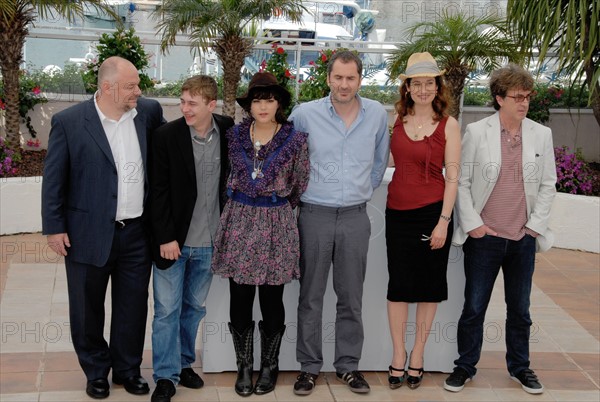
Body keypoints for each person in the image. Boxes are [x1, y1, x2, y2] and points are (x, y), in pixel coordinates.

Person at [41, 56, 165, 399]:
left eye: (138, 84)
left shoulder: (149, 113)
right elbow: (54, 180)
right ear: (107, 87)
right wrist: (54, 227)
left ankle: (127, 370)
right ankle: (96, 371)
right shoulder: (69, 122)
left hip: (137, 232)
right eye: (131, 86)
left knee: (133, 306)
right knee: (86, 307)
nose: (138, 91)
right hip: (86, 233)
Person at [444, 63, 557, 395]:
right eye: (516, 97)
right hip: (485, 238)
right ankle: (465, 366)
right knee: (474, 307)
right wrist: (475, 225)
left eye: (527, 96)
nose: (523, 103)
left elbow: (549, 184)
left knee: (520, 309)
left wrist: (534, 228)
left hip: (523, 239)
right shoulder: (478, 132)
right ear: (499, 98)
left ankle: (520, 367)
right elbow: (461, 182)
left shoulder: (541, 134)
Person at [288, 50, 390, 395]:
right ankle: (308, 368)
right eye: (338, 77)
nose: (344, 85)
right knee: (311, 297)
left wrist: (359, 190)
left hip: (355, 219)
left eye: (351, 78)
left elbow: (378, 164)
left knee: (351, 298)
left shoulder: (376, 114)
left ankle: (348, 366)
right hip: (313, 216)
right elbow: (288, 159)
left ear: (360, 80)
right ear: (328, 78)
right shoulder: (304, 115)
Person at [211, 71, 309, 396]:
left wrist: (274, 204)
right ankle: (243, 365)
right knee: (240, 296)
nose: (263, 105)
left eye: (269, 99)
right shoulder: (234, 136)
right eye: (256, 99)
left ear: (279, 102)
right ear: (249, 105)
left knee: (271, 297)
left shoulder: (295, 140)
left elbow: (299, 183)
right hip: (239, 220)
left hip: (276, 223)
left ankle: (269, 365)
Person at [149, 75, 234, 402]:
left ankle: (184, 364)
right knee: (166, 311)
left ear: (211, 105)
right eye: (182, 102)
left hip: (211, 243)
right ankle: (165, 377)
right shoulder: (165, 137)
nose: (184, 109)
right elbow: (157, 192)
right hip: (174, 244)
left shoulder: (228, 132)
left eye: (191, 104)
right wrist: (166, 237)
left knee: (193, 308)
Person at [385, 52, 461, 390]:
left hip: (433, 213)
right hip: (396, 214)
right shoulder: (396, 121)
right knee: (398, 288)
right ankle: (398, 354)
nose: (424, 89)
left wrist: (444, 221)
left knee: (429, 287)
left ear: (438, 86)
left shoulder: (449, 125)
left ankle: (418, 354)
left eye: (430, 82)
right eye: (417, 83)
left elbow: (454, 177)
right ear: (408, 87)